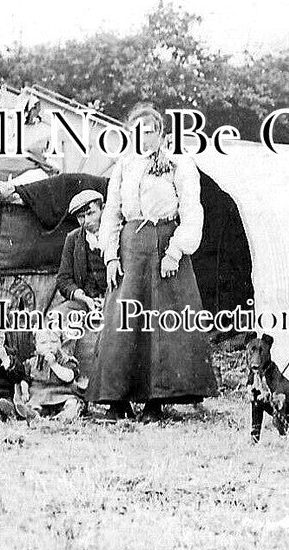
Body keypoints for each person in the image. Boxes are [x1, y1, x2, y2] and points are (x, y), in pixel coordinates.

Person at [89, 102, 218, 421]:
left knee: (161, 325)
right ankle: (117, 401)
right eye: (135, 131)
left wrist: (175, 251)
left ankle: (155, 403)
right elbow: (112, 212)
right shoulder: (123, 165)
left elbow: (192, 211)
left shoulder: (180, 163)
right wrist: (110, 256)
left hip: (164, 248)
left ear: (161, 133)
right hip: (131, 248)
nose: (142, 137)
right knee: (124, 320)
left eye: (148, 131)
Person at [52, 189, 108, 388]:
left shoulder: (117, 235)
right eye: (80, 216)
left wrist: (109, 298)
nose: (86, 220)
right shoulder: (73, 239)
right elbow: (64, 279)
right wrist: (83, 297)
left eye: (91, 213)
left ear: (103, 209)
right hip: (84, 301)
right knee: (57, 317)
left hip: (116, 300)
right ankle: (65, 375)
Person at [20, 330, 82, 421]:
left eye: (54, 342)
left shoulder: (65, 360)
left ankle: (64, 416)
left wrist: (54, 365)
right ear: (36, 346)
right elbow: (25, 379)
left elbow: (69, 377)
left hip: (63, 394)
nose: (49, 346)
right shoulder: (32, 362)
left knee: (72, 403)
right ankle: (34, 414)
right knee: (34, 405)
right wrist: (25, 391)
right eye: (43, 343)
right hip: (41, 396)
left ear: (60, 343)